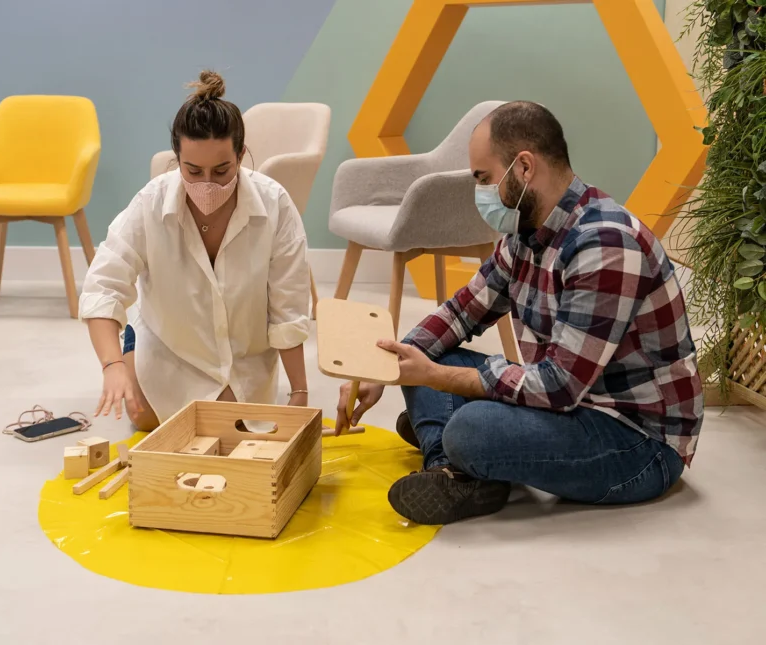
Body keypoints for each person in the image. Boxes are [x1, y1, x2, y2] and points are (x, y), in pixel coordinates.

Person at [335, 101, 703, 525]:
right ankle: (452, 468)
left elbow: (559, 386)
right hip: (573, 405)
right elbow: (461, 312)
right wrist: (381, 367)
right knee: (426, 356)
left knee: (470, 426)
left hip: (635, 439)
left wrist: (432, 378)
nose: (480, 193)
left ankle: (453, 442)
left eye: (484, 179)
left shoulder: (604, 245)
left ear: (524, 168)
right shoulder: (525, 234)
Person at [80, 71, 310, 429]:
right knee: (144, 419)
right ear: (176, 159)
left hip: (243, 356)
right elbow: (103, 286)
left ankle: (140, 349)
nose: (207, 184)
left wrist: (300, 394)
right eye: (193, 170)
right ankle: (134, 342)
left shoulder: (275, 204)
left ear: (241, 155)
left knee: (230, 423)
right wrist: (112, 367)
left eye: (221, 170)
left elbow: (288, 309)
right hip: (172, 348)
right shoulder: (150, 203)